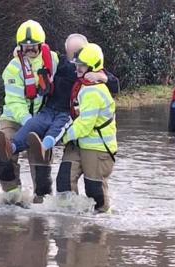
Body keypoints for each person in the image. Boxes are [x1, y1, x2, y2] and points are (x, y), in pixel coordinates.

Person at [0, 34, 117, 165]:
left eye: (78, 51)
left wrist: (101, 77)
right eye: (71, 52)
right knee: (32, 124)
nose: (74, 56)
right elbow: (40, 53)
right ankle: (11, 147)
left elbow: (115, 85)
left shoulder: (90, 69)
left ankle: (44, 148)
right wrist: (19, 52)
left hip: (66, 113)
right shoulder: (59, 61)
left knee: (55, 130)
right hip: (49, 109)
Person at [0, 19, 59, 204]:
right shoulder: (13, 68)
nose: (29, 50)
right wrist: (29, 121)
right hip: (14, 118)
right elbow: (14, 101)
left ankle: (42, 199)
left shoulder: (53, 60)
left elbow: (73, 72)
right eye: (25, 46)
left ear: (41, 45)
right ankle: (12, 194)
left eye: (33, 46)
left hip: (42, 117)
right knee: (1, 147)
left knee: (41, 157)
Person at [57, 43, 117, 213]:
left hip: (97, 148)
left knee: (94, 192)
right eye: (76, 64)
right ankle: (67, 224)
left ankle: (98, 228)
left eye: (81, 65)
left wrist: (62, 137)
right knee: (64, 183)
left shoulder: (94, 90)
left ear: (93, 67)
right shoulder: (81, 83)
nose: (77, 68)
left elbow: (84, 125)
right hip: (77, 144)